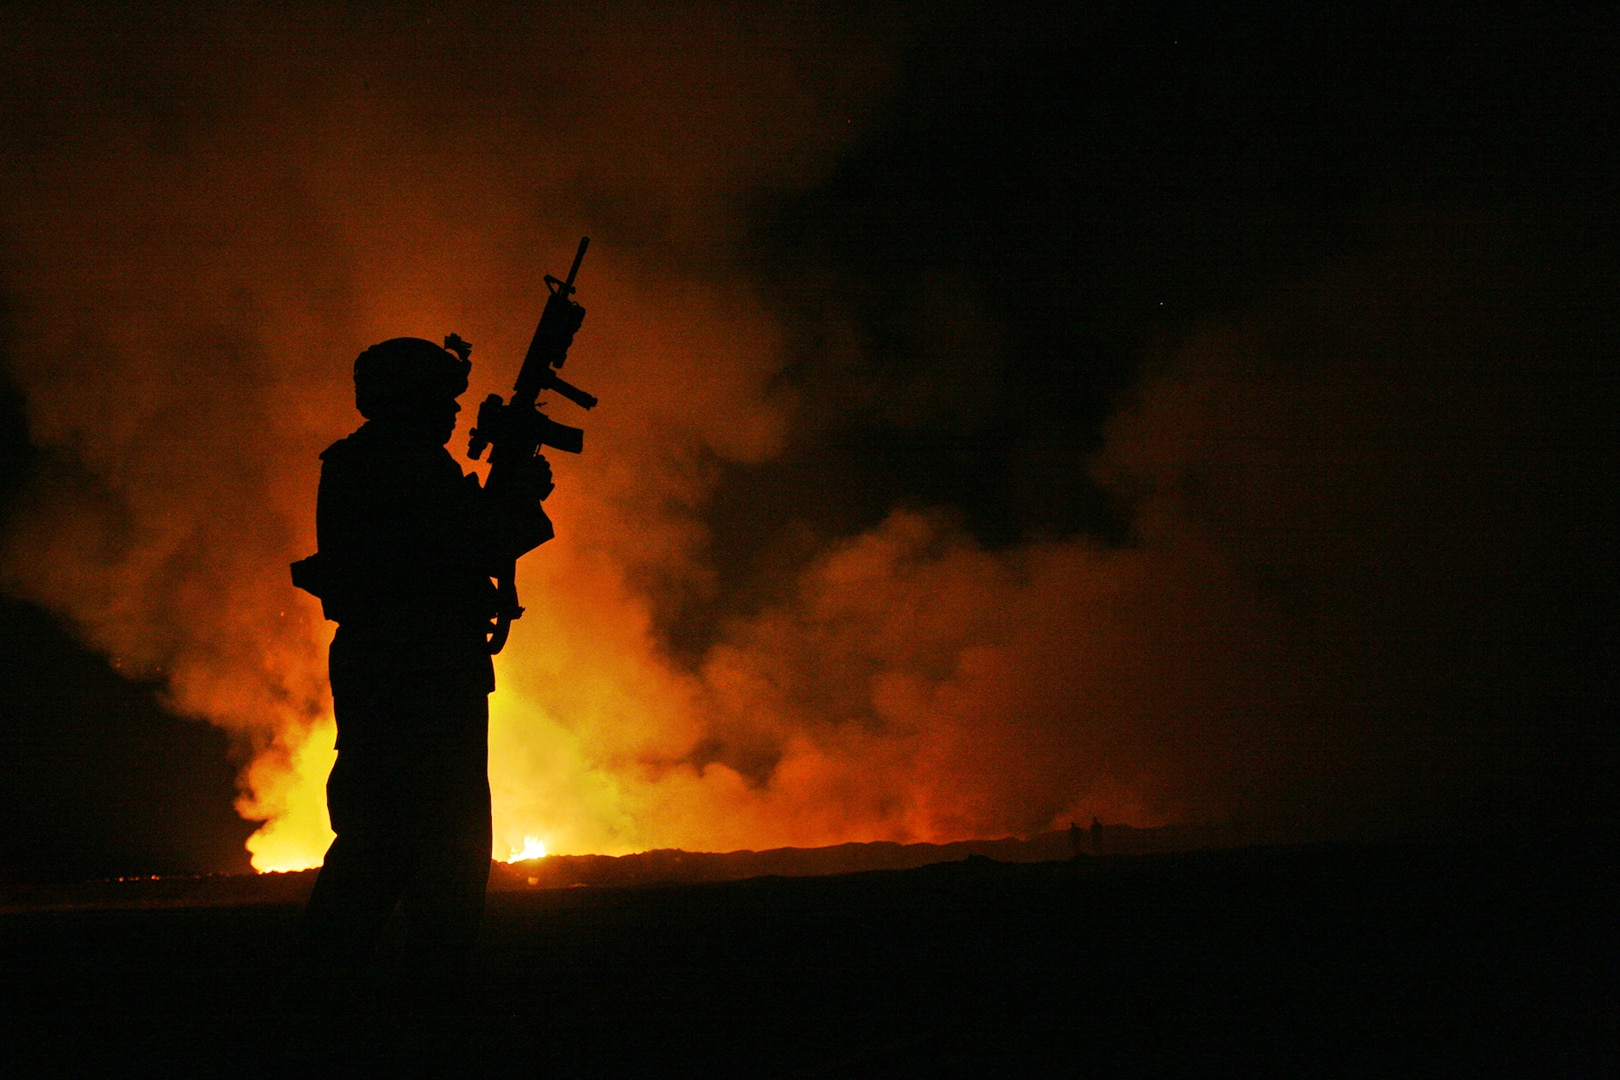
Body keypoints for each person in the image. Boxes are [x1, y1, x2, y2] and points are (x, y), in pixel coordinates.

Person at [291, 336, 554, 1010]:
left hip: (403, 667)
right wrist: (520, 494)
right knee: (424, 843)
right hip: (419, 672)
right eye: (443, 399)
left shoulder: (369, 463)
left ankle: (347, 991)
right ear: (410, 401)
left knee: (400, 839)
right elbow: (464, 545)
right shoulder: (401, 466)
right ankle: (404, 997)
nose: (452, 414)